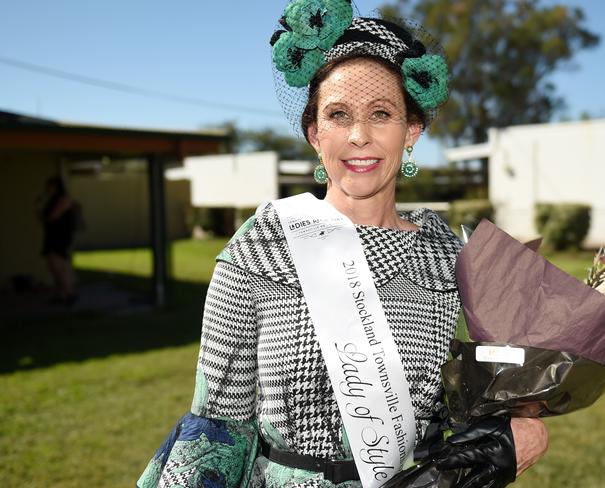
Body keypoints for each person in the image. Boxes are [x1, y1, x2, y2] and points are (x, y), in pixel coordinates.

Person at [138, 3, 548, 487]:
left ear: (411, 130)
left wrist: (521, 426)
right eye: (338, 115)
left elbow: (468, 411)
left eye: (381, 114)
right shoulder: (264, 244)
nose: (359, 136)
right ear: (315, 134)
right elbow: (219, 425)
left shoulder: (451, 259)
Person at [38, 176, 79, 305]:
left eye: (50, 186)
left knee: (59, 265)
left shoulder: (63, 199)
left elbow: (52, 217)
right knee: (54, 265)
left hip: (60, 237)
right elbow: (43, 219)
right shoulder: (51, 200)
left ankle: (69, 293)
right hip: (52, 235)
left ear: (56, 186)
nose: (48, 189)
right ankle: (62, 293)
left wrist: (43, 212)